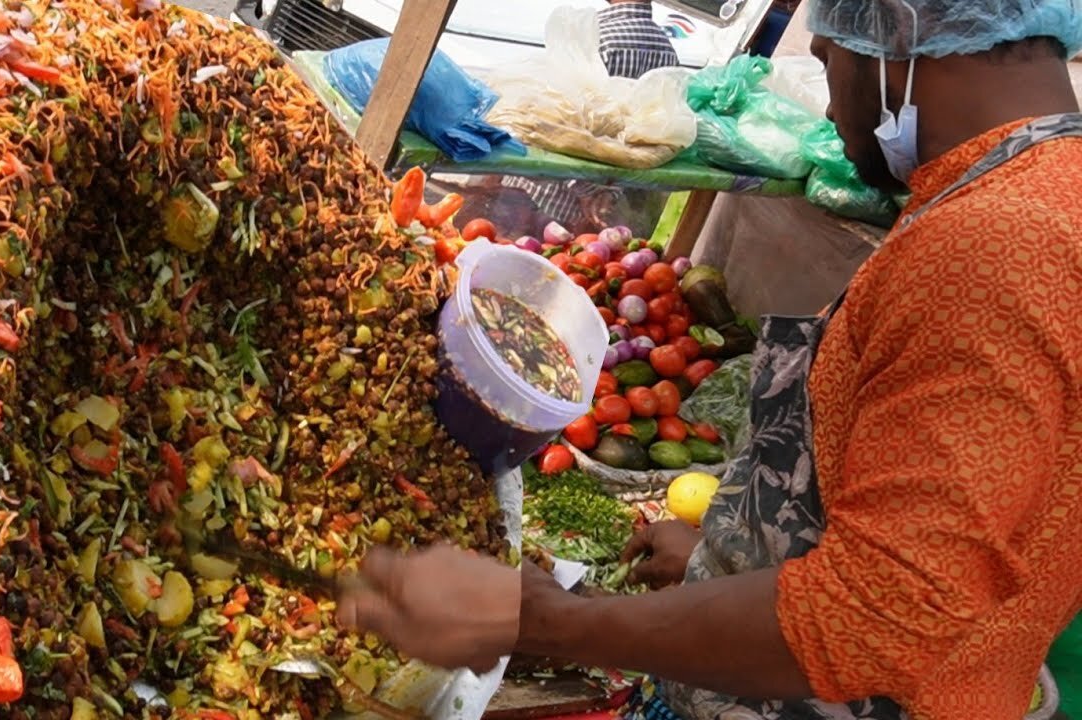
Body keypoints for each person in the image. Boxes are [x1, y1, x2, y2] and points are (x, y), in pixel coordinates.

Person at [338, 2, 1082, 719]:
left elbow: (875, 616)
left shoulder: (994, 245)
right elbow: (969, 515)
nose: (828, 113)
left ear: (892, 26)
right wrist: (731, 554)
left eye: (826, 58)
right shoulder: (1046, 192)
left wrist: (546, 621)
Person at [500, 0, 680, 234]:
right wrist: (605, 190)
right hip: (596, 208)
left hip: (542, 196)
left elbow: (552, 124)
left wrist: (585, 188)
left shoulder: (596, 38)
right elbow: (647, 141)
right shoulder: (667, 52)